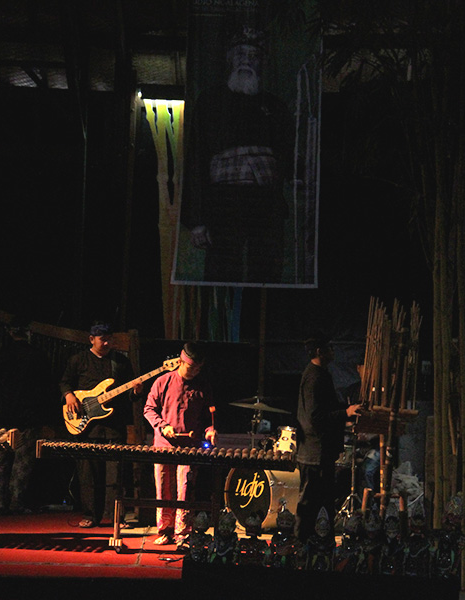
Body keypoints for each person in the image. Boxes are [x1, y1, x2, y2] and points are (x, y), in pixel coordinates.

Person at [181, 25, 297, 284]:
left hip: (266, 206)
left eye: (253, 55)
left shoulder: (276, 107)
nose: (246, 60)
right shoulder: (210, 102)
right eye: (240, 54)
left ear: (263, 62)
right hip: (223, 205)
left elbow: (288, 157)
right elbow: (196, 161)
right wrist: (197, 220)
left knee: (266, 275)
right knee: (221, 274)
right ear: (230, 59)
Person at [59, 321, 140, 528]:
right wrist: (69, 396)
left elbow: (130, 394)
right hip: (87, 427)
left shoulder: (120, 362)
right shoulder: (78, 360)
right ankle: (90, 515)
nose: (106, 343)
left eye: (109, 339)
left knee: (116, 475)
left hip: (114, 427)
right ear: (91, 339)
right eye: (102, 339)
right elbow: (64, 382)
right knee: (88, 475)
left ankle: (116, 517)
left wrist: (136, 391)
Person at [143, 342, 215, 546]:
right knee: (163, 488)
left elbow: (208, 417)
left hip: (189, 447)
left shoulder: (203, 386)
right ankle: (165, 530)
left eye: (198, 368)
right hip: (164, 444)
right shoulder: (163, 381)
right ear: (181, 362)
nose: (195, 372)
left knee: (185, 489)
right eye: (192, 367)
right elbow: (149, 409)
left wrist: (210, 430)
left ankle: (182, 533)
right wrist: (162, 425)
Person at [295, 333, 362, 542]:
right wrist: (345, 413)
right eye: (330, 348)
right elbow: (315, 417)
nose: (333, 352)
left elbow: (328, 407)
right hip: (314, 452)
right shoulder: (314, 377)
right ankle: (301, 544)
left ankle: (322, 544)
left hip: (321, 451)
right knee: (309, 504)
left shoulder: (321, 374)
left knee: (322, 503)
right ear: (319, 352)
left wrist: (349, 410)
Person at [0, 316, 54, 515]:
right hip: (29, 415)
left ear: (10, 332)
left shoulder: (1, 354)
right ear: (28, 333)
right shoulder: (38, 355)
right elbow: (45, 387)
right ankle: (16, 502)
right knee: (22, 464)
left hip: (4, 414)